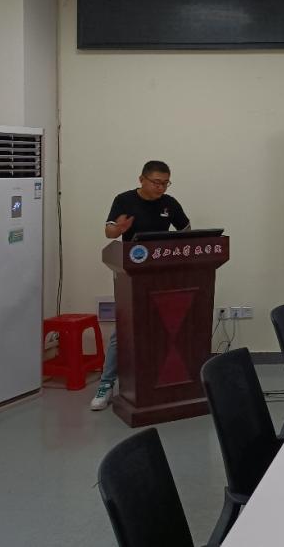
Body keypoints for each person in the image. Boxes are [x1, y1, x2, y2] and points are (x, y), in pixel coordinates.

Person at [91, 160, 190, 411]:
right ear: (141, 179)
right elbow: (110, 232)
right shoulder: (124, 200)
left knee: (164, 328)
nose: (161, 188)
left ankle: (161, 382)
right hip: (131, 275)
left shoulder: (170, 203)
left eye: (165, 183)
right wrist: (119, 228)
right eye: (156, 182)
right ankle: (106, 384)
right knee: (123, 331)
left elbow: (186, 230)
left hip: (162, 275)